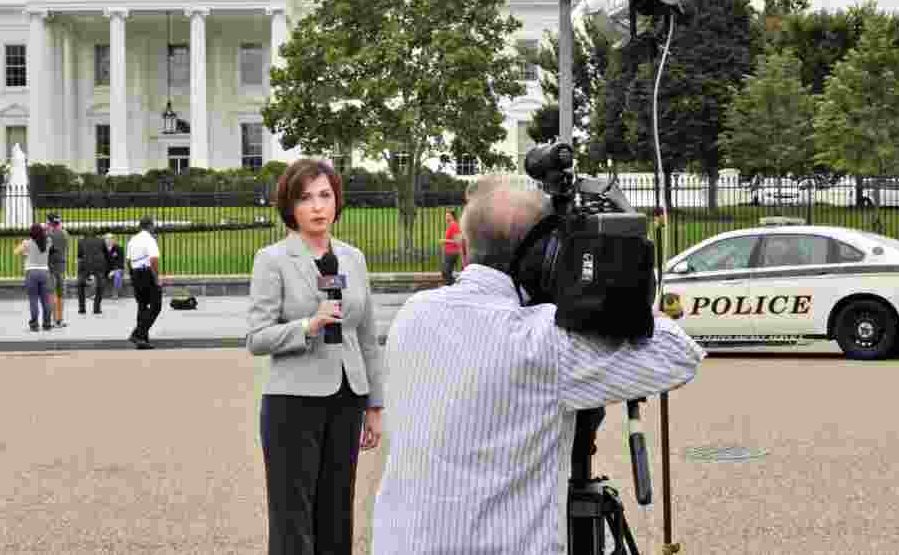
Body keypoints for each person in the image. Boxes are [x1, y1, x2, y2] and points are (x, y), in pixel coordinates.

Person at [371, 177, 706, 554]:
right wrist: (624, 301)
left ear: (464, 251)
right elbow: (680, 353)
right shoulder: (541, 342)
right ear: (547, 258)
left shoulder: (413, 315)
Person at [246, 158, 384, 555]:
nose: (318, 207)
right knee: (293, 516)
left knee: (338, 512)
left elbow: (367, 336)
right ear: (290, 207)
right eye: (306, 198)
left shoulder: (353, 258)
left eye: (325, 196)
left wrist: (374, 404)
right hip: (293, 401)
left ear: (337, 201)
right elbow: (257, 337)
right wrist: (307, 326)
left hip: (348, 397)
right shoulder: (272, 259)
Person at [126, 216, 162, 350]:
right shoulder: (150, 239)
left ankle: (143, 340)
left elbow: (128, 261)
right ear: (150, 226)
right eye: (153, 225)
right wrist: (156, 277)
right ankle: (138, 334)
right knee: (156, 305)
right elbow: (154, 260)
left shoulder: (132, 240)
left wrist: (132, 275)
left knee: (142, 305)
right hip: (147, 273)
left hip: (135, 273)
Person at [14, 223, 53, 332]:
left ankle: (35, 324)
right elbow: (47, 231)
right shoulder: (48, 242)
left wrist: (25, 254)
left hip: (31, 272)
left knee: (33, 299)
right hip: (44, 272)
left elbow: (16, 252)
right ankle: (47, 323)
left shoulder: (27, 243)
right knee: (46, 300)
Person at [45, 214, 70, 328]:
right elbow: (66, 249)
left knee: (51, 294)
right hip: (61, 266)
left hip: (50, 267)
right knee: (60, 295)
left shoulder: (47, 234)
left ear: (49, 222)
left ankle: (53, 320)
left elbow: (45, 251)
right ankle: (60, 319)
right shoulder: (65, 233)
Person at [76, 231, 109, 314]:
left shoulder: (81, 241)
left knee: (80, 285)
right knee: (100, 285)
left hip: (85, 265)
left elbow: (79, 255)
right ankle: (96, 308)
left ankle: (82, 308)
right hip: (98, 265)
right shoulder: (101, 241)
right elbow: (106, 253)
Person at [439, 209, 462, 284]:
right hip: (449, 252)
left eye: (448, 216)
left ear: (452, 217)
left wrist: (444, 241)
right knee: (445, 272)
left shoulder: (454, 226)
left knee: (446, 272)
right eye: (446, 216)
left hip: (452, 253)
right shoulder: (451, 226)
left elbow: (458, 241)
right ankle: (453, 286)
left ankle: (454, 286)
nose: (446, 217)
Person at [104, 233, 124, 299]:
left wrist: (113, 271)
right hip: (105, 269)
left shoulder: (119, 248)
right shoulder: (102, 249)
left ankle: (115, 293)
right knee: (97, 274)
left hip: (117, 269)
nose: (109, 240)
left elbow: (120, 262)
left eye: (110, 238)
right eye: (107, 238)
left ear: (113, 240)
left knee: (117, 275)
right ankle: (96, 293)